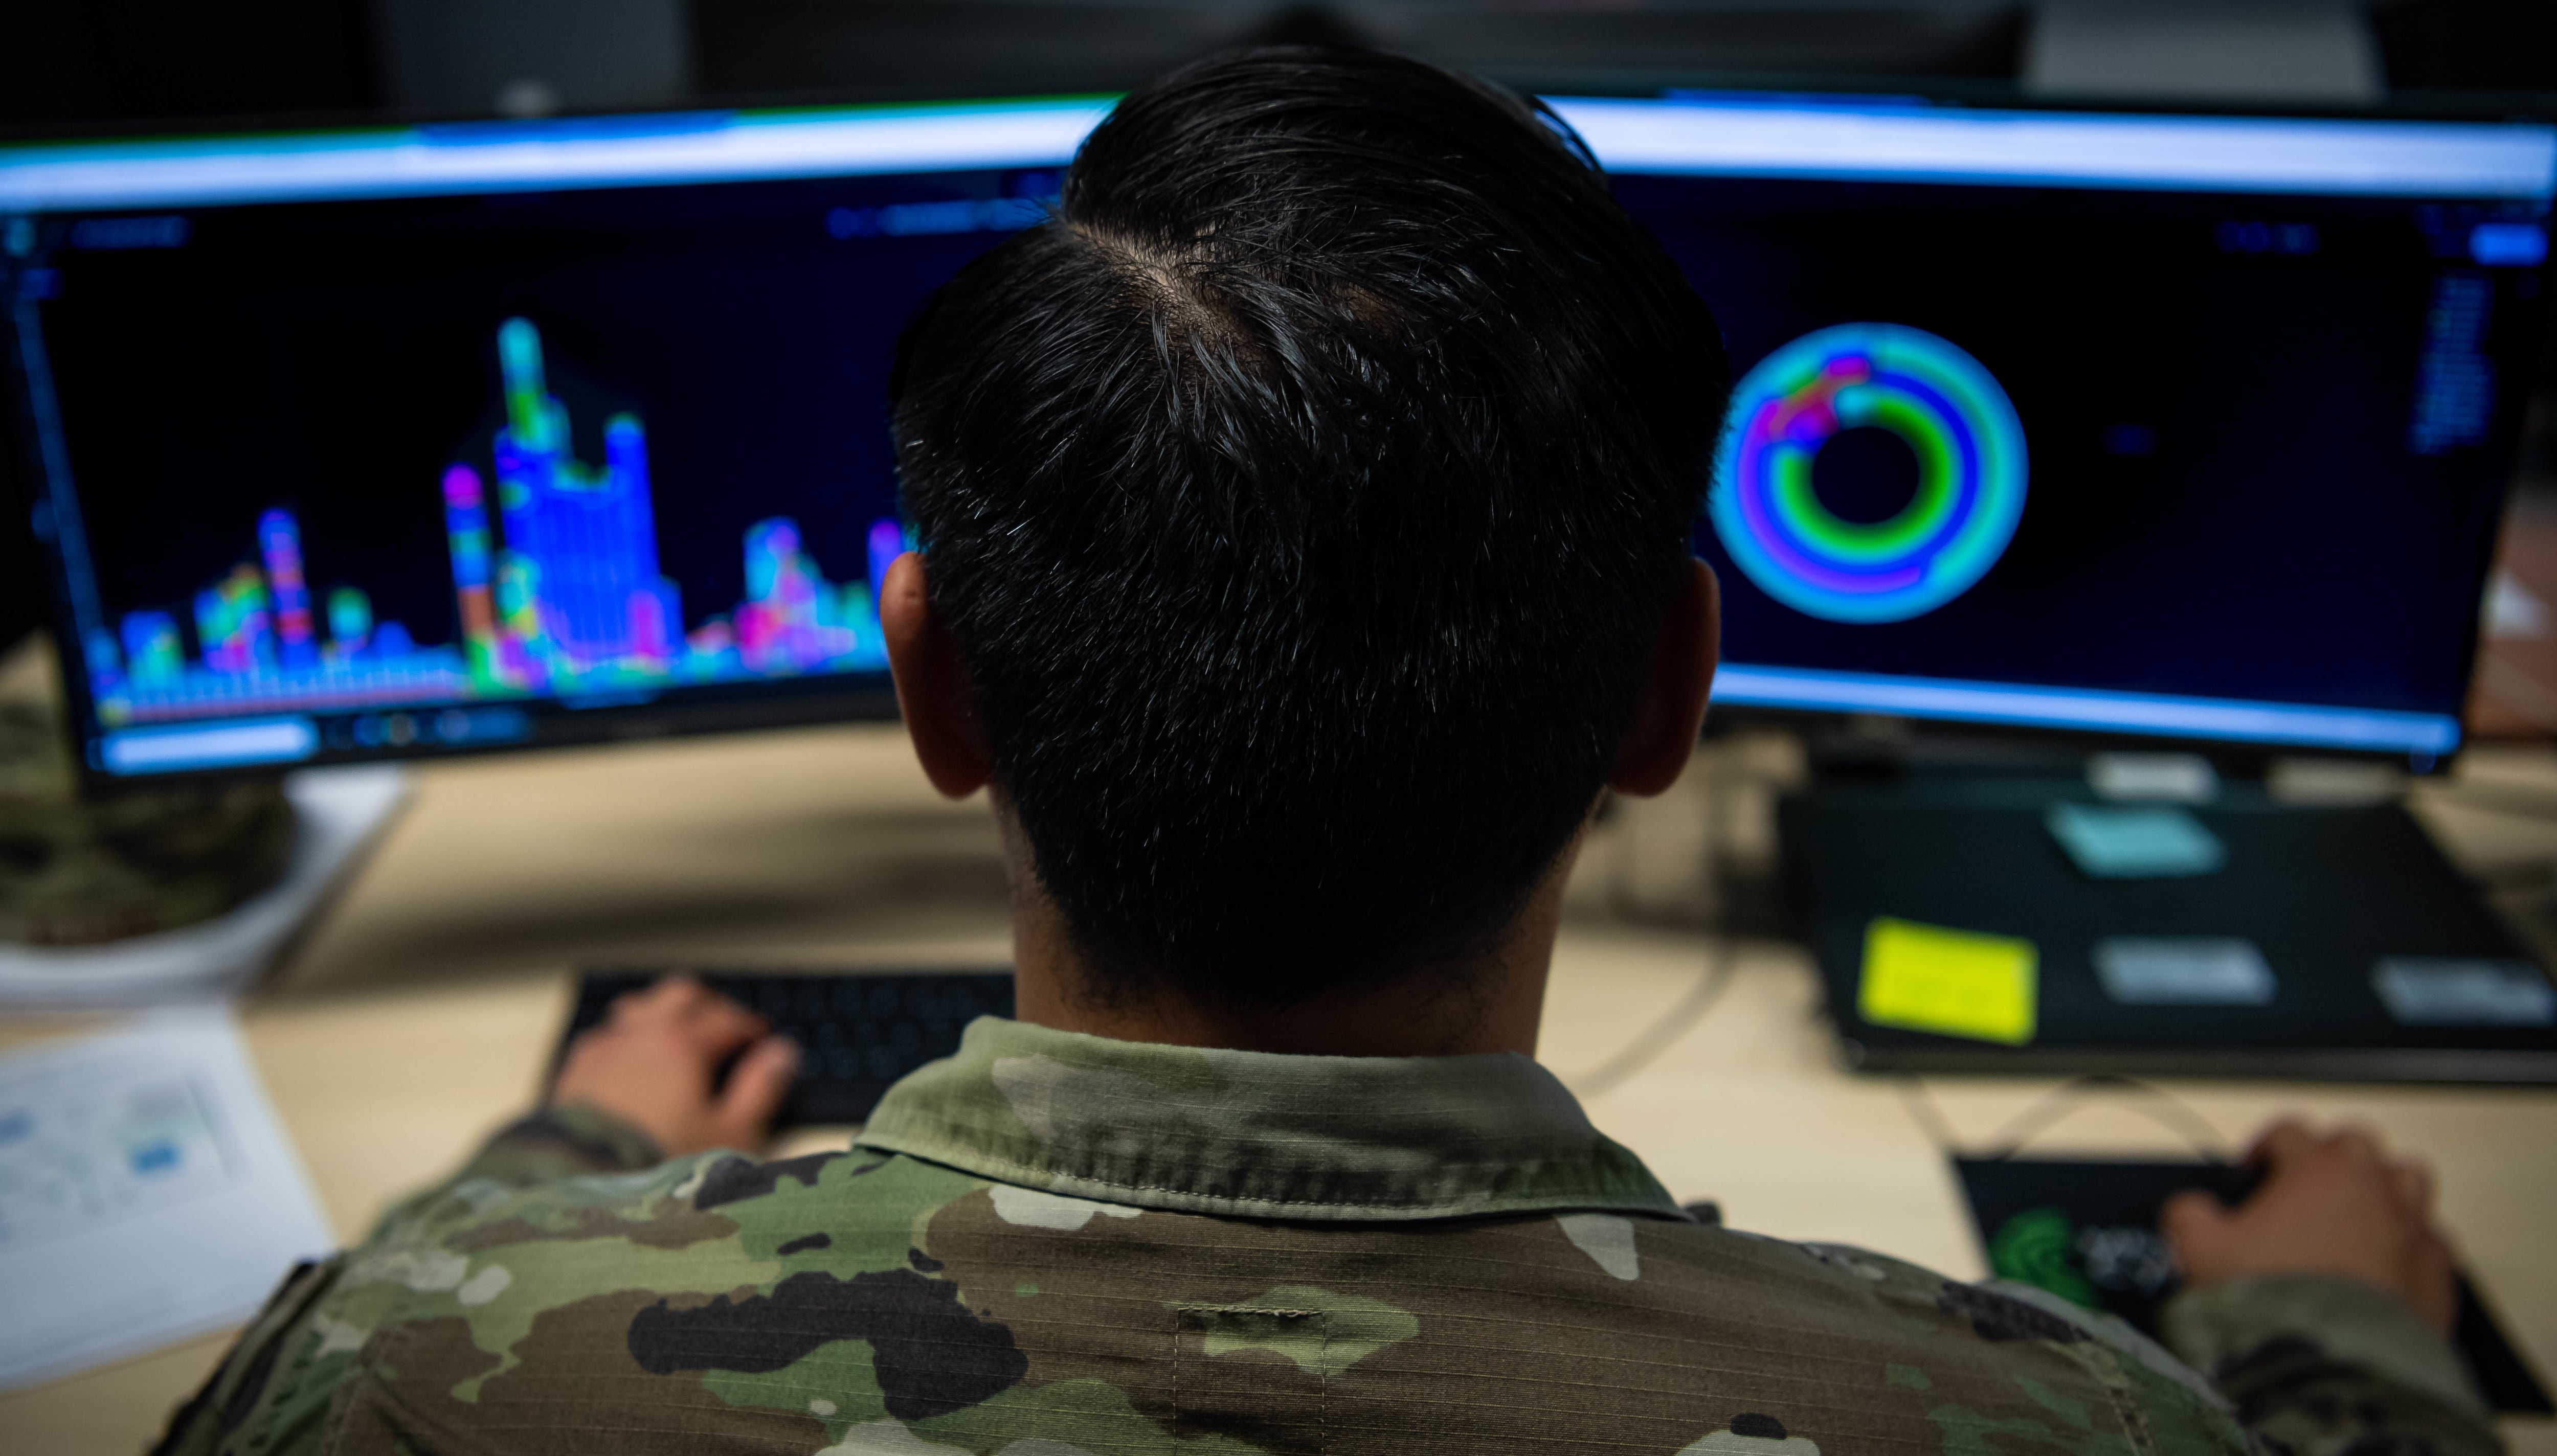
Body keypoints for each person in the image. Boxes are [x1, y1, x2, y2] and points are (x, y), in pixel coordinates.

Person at [160, 47, 2495, 1456]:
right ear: (1670, 692)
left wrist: (551, 1157)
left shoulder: (402, 1369)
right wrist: (2328, 1342)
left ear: (930, 684)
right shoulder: (2048, 1417)